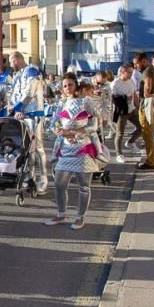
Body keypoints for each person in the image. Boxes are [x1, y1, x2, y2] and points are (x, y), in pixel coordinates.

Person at [45, 74, 99, 230]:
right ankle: (61, 214)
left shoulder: (85, 101)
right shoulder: (62, 103)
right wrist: (57, 131)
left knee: (84, 186)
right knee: (59, 184)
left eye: (70, 85)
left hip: (83, 148)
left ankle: (80, 218)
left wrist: (75, 133)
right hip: (65, 148)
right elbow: (53, 122)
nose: (67, 88)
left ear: (76, 85)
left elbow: (94, 125)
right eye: (64, 86)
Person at [8, 51, 49, 194]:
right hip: (22, 116)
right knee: (27, 149)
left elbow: (30, 92)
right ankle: (30, 177)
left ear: (17, 59)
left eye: (11, 61)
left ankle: (43, 179)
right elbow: (13, 93)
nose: (10, 64)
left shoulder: (32, 70)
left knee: (38, 147)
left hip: (34, 114)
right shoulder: (18, 74)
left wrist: (17, 107)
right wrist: (12, 107)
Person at [133, 53, 154, 171]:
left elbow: (148, 85)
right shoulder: (153, 70)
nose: (136, 66)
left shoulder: (147, 71)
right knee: (148, 133)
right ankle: (151, 160)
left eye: (137, 63)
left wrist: (147, 93)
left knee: (147, 134)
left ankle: (151, 161)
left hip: (147, 104)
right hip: (152, 103)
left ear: (144, 61)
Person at [111, 65, 140, 164]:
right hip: (121, 112)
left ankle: (131, 142)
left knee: (141, 127)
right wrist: (125, 98)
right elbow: (113, 98)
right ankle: (119, 154)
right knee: (120, 133)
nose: (131, 74)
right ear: (122, 72)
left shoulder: (131, 81)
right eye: (129, 72)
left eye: (132, 72)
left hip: (132, 110)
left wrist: (138, 106)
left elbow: (134, 94)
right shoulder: (116, 83)